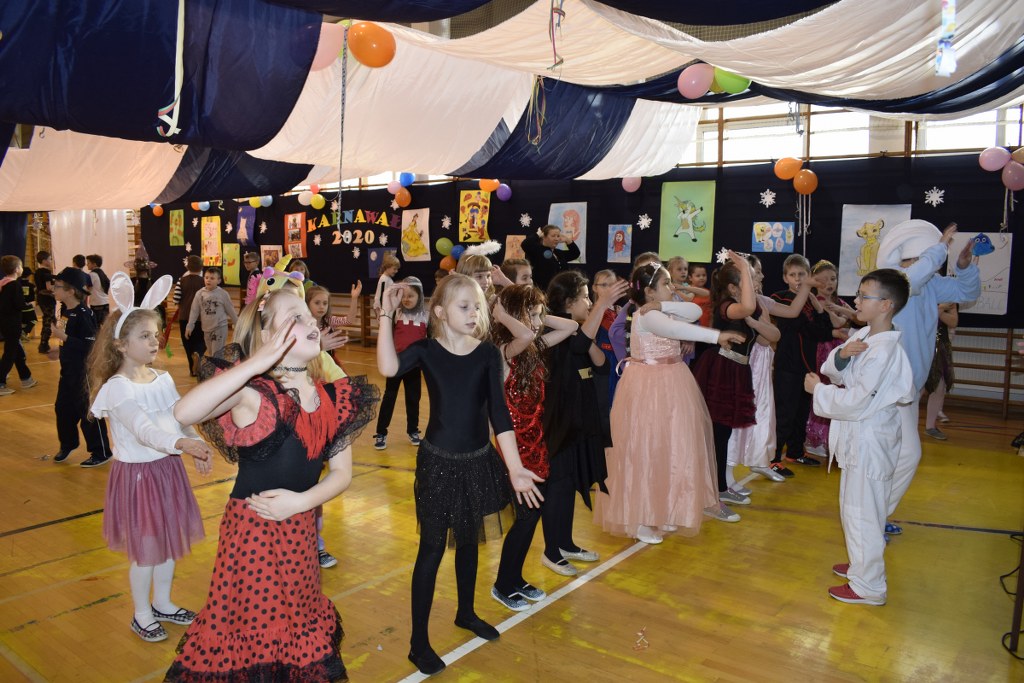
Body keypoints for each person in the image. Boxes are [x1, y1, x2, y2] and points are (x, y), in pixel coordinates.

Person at [165, 288, 378, 682]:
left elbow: (342, 475)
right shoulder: (252, 393)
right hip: (252, 537)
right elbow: (184, 411)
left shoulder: (334, 397)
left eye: (310, 316)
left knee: (297, 623)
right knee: (255, 630)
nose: (311, 321)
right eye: (295, 317)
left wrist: (299, 503)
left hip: (299, 533)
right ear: (267, 337)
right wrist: (255, 364)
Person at [376, 274, 543, 677]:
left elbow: (499, 415)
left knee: (470, 540)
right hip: (438, 463)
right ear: (440, 312)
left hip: (479, 460)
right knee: (432, 549)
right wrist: (385, 314)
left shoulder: (487, 355)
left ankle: (465, 612)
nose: (474, 313)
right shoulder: (426, 350)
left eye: (478, 307)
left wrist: (515, 468)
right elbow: (389, 367)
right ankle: (418, 643)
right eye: (464, 306)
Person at [87, 272, 212, 642]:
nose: (155, 340)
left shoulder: (162, 379)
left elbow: (180, 417)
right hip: (139, 477)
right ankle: (141, 614)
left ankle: (163, 603)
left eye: (155, 333)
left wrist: (195, 443)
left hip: (168, 469)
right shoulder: (117, 388)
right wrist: (182, 445)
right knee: (147, 550)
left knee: (168, 543)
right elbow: (144, 430)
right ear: (121, 345)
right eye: (144, 336)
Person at [593, 263, 744, 543]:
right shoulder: (647, 316)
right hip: (650, 387)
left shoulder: (660, 309)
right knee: (647, 450)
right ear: (650, 292)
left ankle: (661, 510)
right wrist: (717, 336)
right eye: (665, 284)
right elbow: (679, 329)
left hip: (671, 382)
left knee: (669, 448)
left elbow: (695, 311)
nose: (671, 287)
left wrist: (664, 304)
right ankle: (640, 519)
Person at [805, 269, 915, 606]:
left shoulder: (885, 351)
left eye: (864, 296)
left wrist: (818, 391)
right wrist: (842, 356)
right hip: (860, 437)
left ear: (885, 304)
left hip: (870, 438)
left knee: (863, 511)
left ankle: (869, 586)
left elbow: (856, 401)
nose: (856, 300)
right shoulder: (867, 334)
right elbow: (838, 370)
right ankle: (861, 565)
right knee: (854, 507)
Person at [869, 221, 979, 535]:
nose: (926, 265)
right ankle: (871, 520)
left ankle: (876, 517)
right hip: (883, 386)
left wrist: (963, 267)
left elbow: (968, 291)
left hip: (907, 390)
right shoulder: (891, 281)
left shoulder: (929, 283)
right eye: (920, 259)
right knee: (892, 455)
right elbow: (911, 280)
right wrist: (940, 249)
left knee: (904, 455)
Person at [489, 284, 577, 611]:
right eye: (534, 315)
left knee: (532, 514)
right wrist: (503, 314)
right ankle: (502, 584)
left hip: (535, 441)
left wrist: (537, 311)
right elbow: (524, 335)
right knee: (526, 516)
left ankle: (514, 577)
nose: (539, 323)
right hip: (512, 446)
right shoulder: (503, 350)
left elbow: (571, 326)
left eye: (541, 315)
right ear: (514, 317)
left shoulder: (534, 345)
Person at [541, 270, 628, 573]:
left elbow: (601, 363)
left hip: (581, 415)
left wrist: (586, 330)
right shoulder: (554, 327)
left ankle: (565, 542)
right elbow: (578, 349)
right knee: (558, 485)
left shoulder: (581, 329)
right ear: (568, 302)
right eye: (585, 298)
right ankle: (551, 551)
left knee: (570, 483)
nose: (589, 303)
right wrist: (601, 305)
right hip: (560, 418)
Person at [692, 253, 759, 515]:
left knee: (724, 434)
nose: (753, 284)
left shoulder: (737, 303)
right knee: (717, 435)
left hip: (735, 371)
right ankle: (710, 495)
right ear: (733, 288)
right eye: (747, 280)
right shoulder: (727, 306)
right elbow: (748, 307)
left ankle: (719, 487)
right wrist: (743, 266)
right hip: (721, 371)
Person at [770, 254, 834, 475]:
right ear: (785, 277)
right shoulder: (780, 298)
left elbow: (824, 332)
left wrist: (818, 308)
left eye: (802, 274)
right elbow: (797, 324)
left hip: (807, 366)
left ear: (809, 275)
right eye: (793, 275)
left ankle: (795, 451)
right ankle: (773, 458)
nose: (798, 279)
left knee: (801, 412)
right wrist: (807, 297)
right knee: (784, 414)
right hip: (787, 366)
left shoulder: (809, 301)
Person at [727, 255, 784, 485]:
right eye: (755, 273)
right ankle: (728, 470)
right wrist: (758, 324)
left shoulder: (757, 303)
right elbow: (767, 338)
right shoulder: (740, 307)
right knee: (744, 415)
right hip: (750, 366)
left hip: (761, 366)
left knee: (762, 413)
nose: (761, 276)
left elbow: (775, 335)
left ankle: (759, 458)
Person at [49, 267, 111, 466]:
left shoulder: (84, 314)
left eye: (58, 287)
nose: (53, 290)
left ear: (71, 291)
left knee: (88, 412)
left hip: (83, 372)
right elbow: (69, 340)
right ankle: (68, 443)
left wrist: (64, 337)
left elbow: (90, 345)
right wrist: (60, 348)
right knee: (62, 408)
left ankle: (101, 451)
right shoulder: (66, 311)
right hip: (68, 370)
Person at [804, 260, 853, 458]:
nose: (829, 284)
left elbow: (842, 322)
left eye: (832, 279)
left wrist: (833, 309)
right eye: (823, 280)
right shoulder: (811, 302)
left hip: (837, 352)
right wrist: (826, 309)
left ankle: (831, 437)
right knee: (819, 388)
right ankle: (815, 437)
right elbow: (831, 325)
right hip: (819, 351)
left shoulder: (840, 303)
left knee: (836, 390)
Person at [373, 277, 428, 450]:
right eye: (403, 296)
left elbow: (430, 342)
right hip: (395, 364)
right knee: (389, 398)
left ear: (420, 296)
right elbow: (386, 334)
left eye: (411, 296)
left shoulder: (426, 316)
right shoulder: (396, 313)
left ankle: (413, 430)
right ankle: (381, 432)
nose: (406, 299)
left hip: (414, 367)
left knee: (413, 399)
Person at [0, 256, 37, 396]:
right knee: (10, 353)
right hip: (12, 323)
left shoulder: (3, 283)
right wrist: (29, 306)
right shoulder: (14, 285)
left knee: (16, 350)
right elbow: (19, 304)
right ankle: (0, 383)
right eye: (21, 266)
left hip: (5, 322)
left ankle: (26, 378)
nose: (22, 269)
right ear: (16, 269)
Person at [185, 266, 237, 359]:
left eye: (212, 278)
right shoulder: (199, 293)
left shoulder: (223, 294)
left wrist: (238, 325)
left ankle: (218, 367)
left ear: (219, 280)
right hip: (206, 329)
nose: (208, 280)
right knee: (210, 352)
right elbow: (194, 310)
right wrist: (190, 325)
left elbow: (231, 310)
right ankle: (218, 366)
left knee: (216, 354)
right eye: (206, 277)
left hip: (220, 327)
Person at [923, 303, 957, 440]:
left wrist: (939, 310)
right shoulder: (922, 296)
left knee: (939, 386)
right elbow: (924, 320)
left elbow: (953, 322)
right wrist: (940, 309)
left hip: (940, 347)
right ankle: (907, 426)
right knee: (916, 387)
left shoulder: (950, 300)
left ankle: (930, 426)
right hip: (921, 344)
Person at [172, 256, 206, 377]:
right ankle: (199, 355)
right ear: (201, 267)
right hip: (201, 318)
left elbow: (176, 299)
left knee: (188, 343)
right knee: (201, 341)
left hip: (184, 317)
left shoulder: (181, 280)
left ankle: (192, 369)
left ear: (187, 267)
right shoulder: (204, 281)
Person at [520, 224, 581, 290]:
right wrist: (538, 234)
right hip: (542, 292)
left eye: (558, 236)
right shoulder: (537, 250)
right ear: (544, 237)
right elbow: (525, 244)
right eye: (553, 236)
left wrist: (568, 240)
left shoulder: (558, 253)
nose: (556, 239)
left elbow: (575, 253)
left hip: (560, 291)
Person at [34, 250, 56, 353]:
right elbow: (49, 287)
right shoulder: (46, 272)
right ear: (44, 261)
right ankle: (43, 344)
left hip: (41, 298)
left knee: (48, 319)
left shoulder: (37, 272)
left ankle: (44, 343)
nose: (51, 261)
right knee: (48, 321)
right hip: (47, 299)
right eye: (50, 259)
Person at [86, 254, 111, 326]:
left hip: (96, 304)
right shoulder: (102, 273)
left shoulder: (92, 275)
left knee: (96, 325)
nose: (87, 265)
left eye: (88, 263)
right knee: (105, 325)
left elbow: (87, 288)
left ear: (94, 264)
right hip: (105, 302)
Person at [373, 252, 400, 317]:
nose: (396, 271)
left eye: (397, 269)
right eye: (394, 269)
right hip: (384, 312)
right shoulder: (384, 280)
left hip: (388, 310)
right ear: (387, 267)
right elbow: (381, 297)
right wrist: (382, 313)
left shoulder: (388, 279)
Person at [19, 265, 37, 341]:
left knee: (23, 321)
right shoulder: (31, 286)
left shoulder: (17, 284)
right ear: (29, 276)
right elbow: (33, 297)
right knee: (33, 320)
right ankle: (24, 332)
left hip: (19, 306)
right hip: (28, 306)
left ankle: (23, 336)